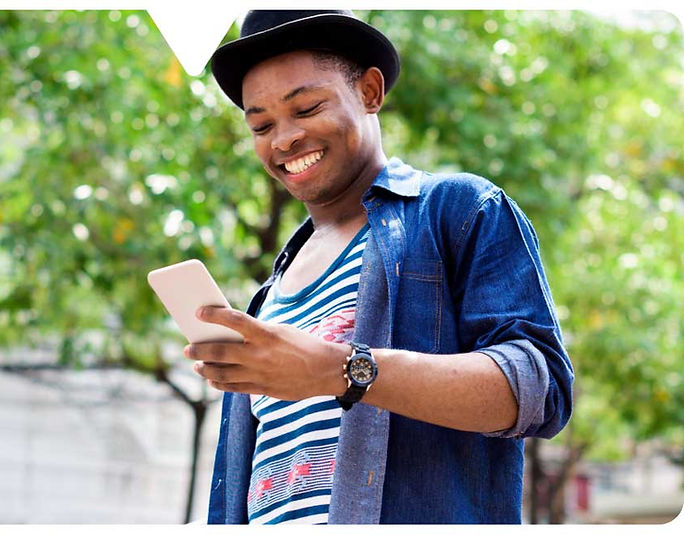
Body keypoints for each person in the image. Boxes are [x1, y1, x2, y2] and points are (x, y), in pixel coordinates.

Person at [187, 10, 575, 524]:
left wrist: (340, 370)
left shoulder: (459, 210)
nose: (282, 140)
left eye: (305, 108)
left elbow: (538, 388)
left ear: (370, 92)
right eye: (261, 125)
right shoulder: (268, 298)